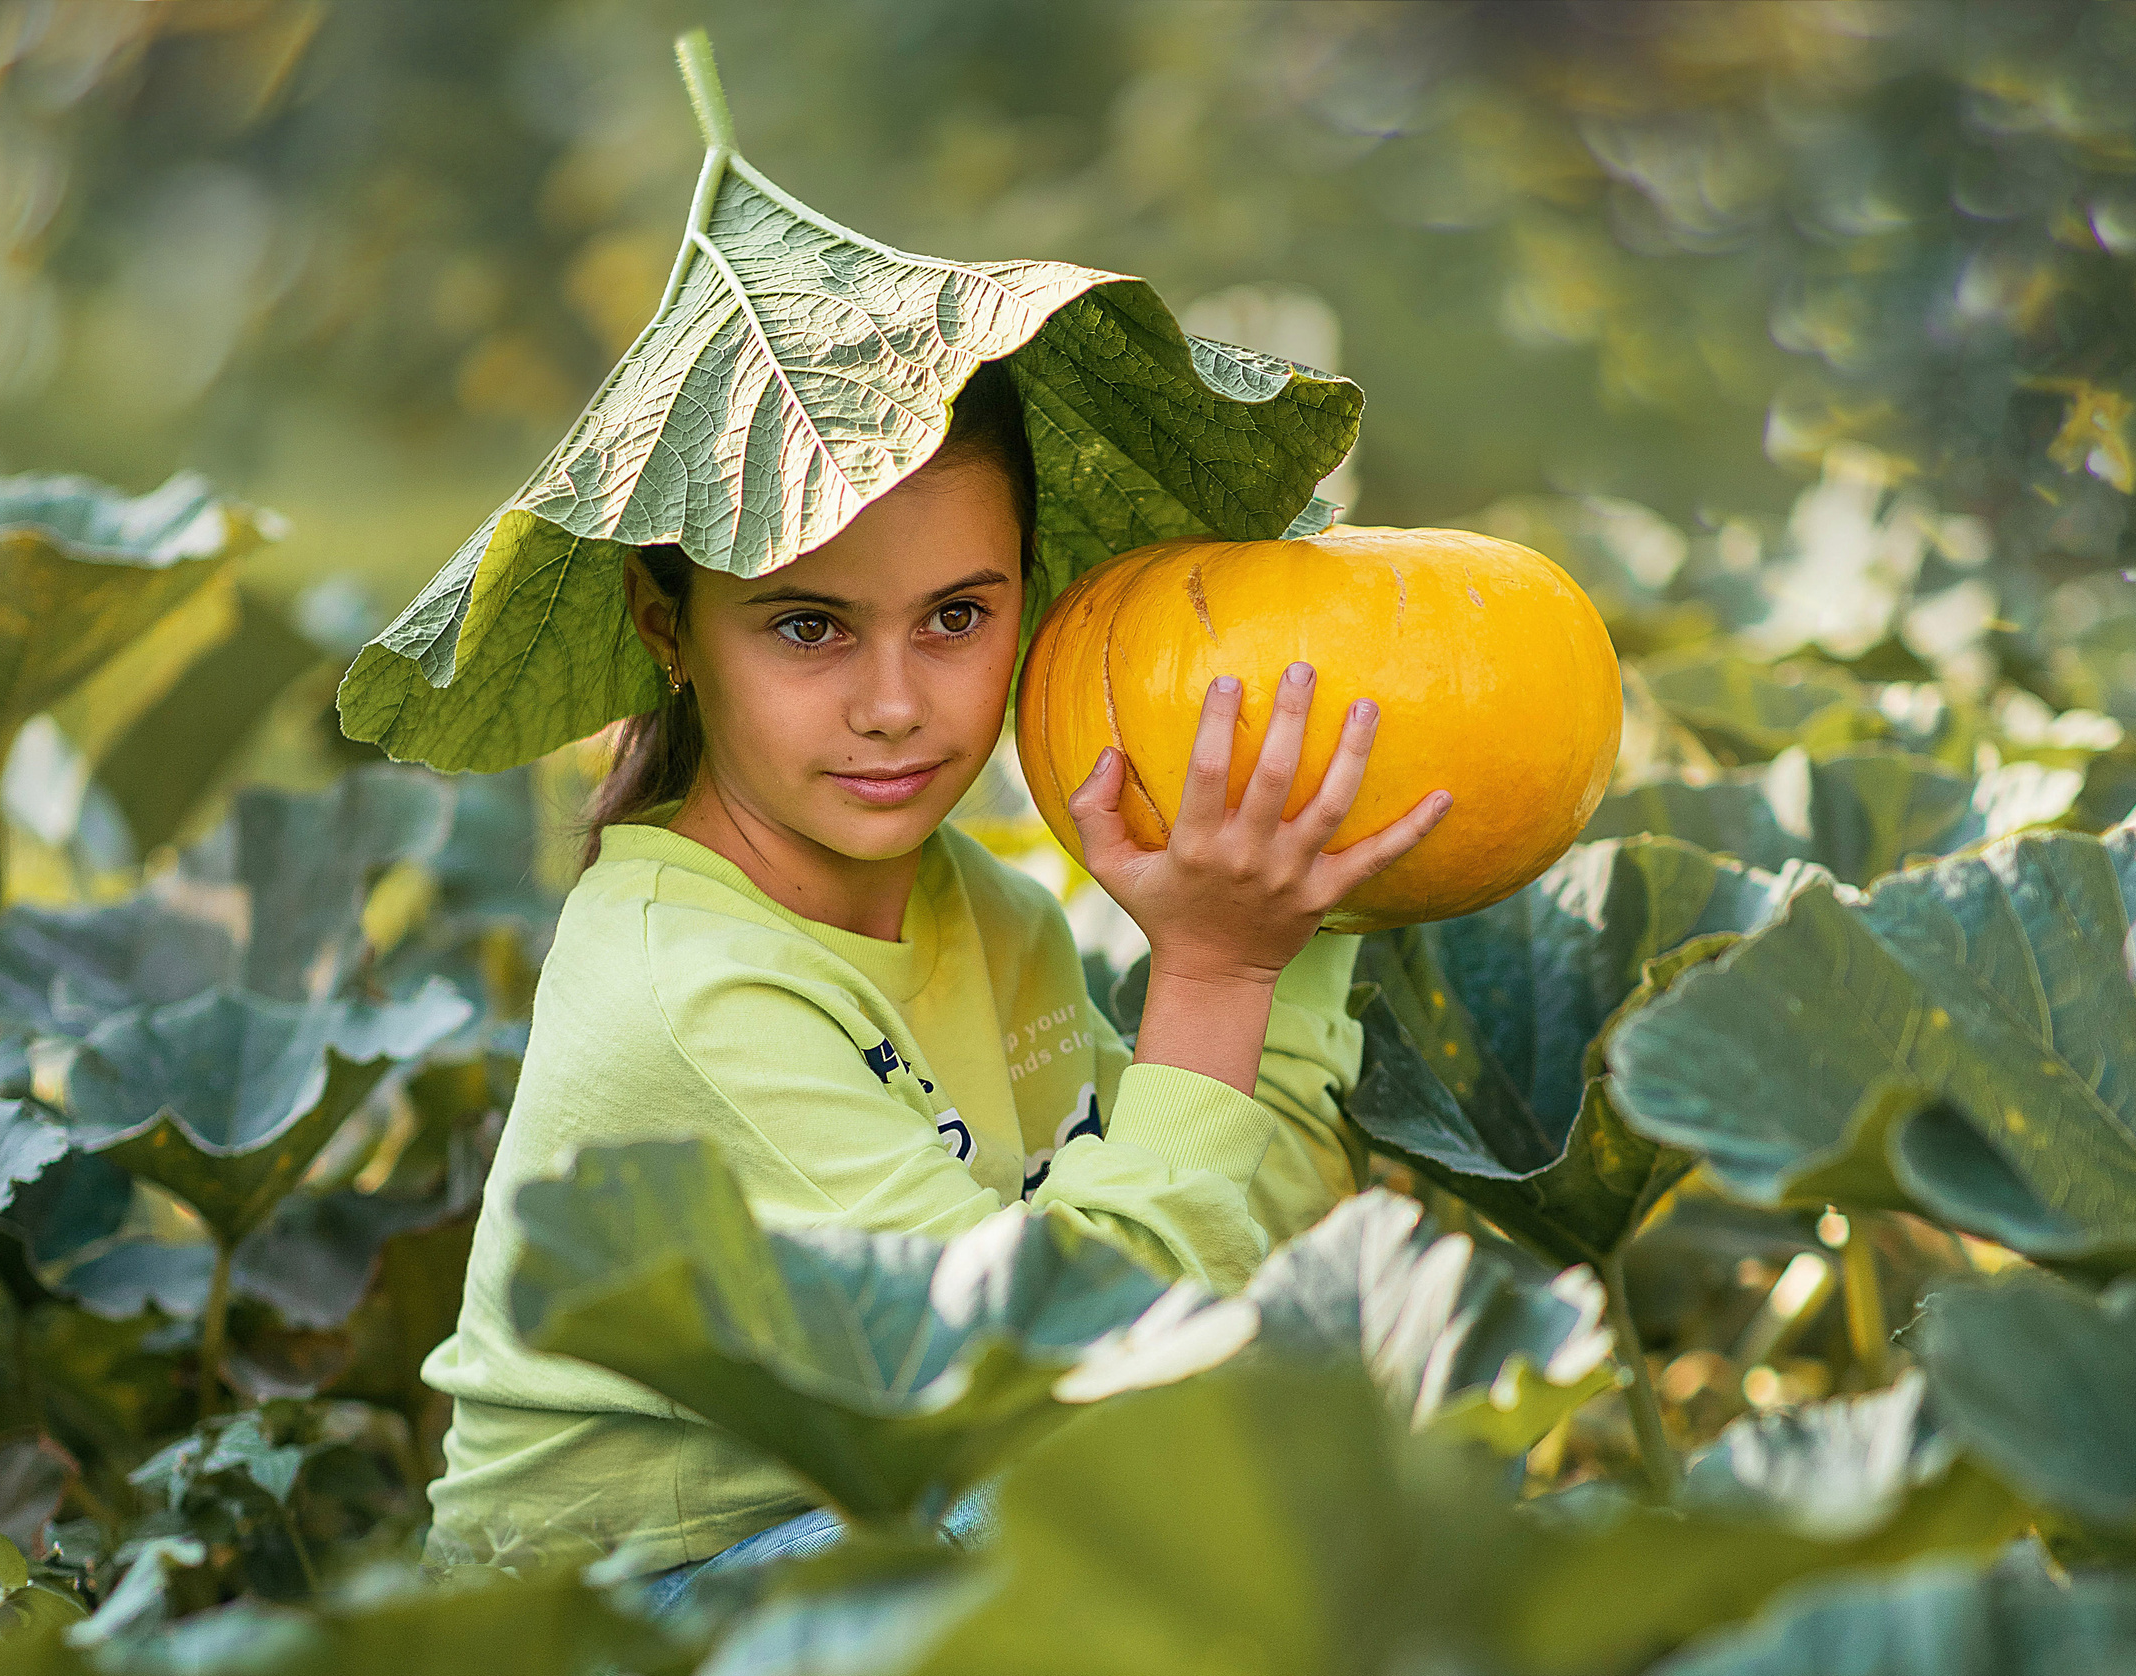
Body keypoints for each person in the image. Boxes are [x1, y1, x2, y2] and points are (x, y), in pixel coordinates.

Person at [418, 361, 1452, 1594]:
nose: (897, 705)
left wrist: (1301, 901)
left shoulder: (991, 912)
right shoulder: (691, 992)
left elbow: (1237, 1211)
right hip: (609, 1650)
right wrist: (1215, 971)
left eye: (957, 616)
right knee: (1146, 1496)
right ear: (665, 623)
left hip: (862, 1529)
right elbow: (1097, 1368)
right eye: (810, 626)